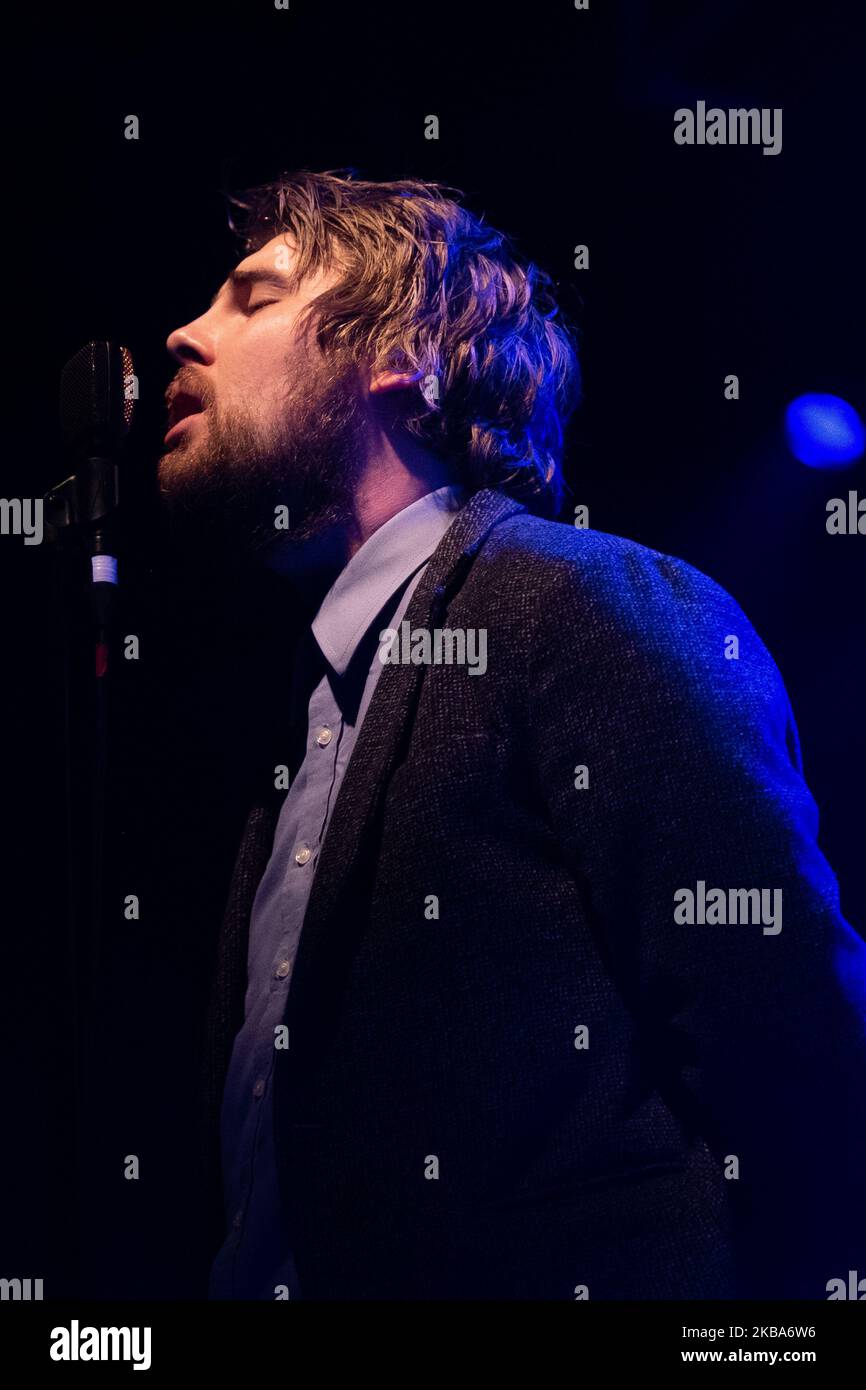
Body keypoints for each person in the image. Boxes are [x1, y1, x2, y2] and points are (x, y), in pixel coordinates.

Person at [158, 169, 866, 1300]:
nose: (184, 334)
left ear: (404, 353)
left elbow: (794, 1059)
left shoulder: (579, 602)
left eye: (255, 297)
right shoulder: (310, 705)